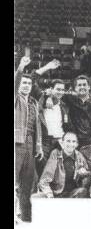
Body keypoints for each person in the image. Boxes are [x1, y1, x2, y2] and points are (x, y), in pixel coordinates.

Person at [14, 56, 44, 222]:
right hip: (16, 142)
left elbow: (38, 126)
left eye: (28, 83)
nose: (26, 85)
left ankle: (26, 216)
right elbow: (15, 82)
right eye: (23, 83)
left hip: (31, 142)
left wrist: (38, 146)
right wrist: (20, 68)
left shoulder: (34, 102)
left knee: (28, 181)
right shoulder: (15, 98)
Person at [34, 132, 91, 198]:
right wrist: (49, 194)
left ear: (76, 144)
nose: (71, 144)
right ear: (62, 143)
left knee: (82, 191)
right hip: (56, 193)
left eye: (73, 141)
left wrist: (84, 173)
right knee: (36, 197)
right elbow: (44, 180)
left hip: (72, 194)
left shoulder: (79, 155)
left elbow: (88, 174)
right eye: (68, 141)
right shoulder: (55, 154)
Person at [37, 78, 72, 178]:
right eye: (58, 89)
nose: (60, 92)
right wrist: (46, 95)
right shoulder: (43, 101)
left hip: (59, 142)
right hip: (45, 140)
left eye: (62, 90)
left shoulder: (64, 106)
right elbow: (36, 89)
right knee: (43, 169)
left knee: (57, 170)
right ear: (51, 89)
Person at [57, 75, 91, 147]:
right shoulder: (69, 99)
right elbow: (55, 93)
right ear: (75, 88)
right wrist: (48, 98)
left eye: (84, 85)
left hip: (90, 141)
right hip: (74, 141)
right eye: (79, 85)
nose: (82, 87)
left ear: (89, 87)